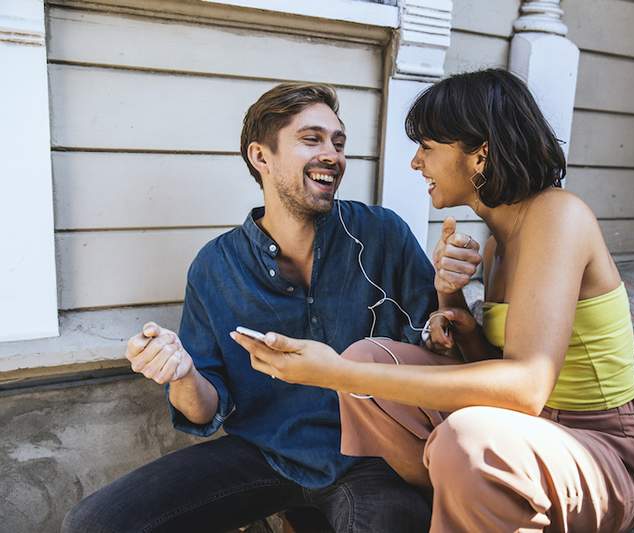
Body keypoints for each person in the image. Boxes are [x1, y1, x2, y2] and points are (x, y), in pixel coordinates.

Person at [230, 69, 634, 533]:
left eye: (429, 147)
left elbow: (526, 388)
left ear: (481, 154)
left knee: (461, 437)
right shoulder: (500, 237)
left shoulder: (557, 216)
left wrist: (334, 372)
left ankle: (465, 493)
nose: (418, 163)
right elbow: (499, 372)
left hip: (603, 451)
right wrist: (454, 308)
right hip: (530, 432)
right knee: (372, 357)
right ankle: (454, 502)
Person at [62, 83, 444, 533]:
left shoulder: (383, 234)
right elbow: (203, 411)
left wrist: (449, 305)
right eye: (312, 139)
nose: (333, 155)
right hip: (264, 452)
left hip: (373, 459)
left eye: (339, 143)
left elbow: (435, 346)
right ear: (260, 156)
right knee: (93, 524)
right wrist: (183, 373)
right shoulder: (215, 265)